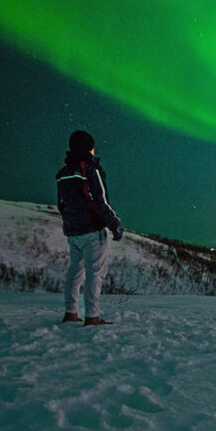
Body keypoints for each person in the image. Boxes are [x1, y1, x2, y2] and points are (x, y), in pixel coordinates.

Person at [56, 130, 123, 326]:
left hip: (73, 232)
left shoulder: (63, 174)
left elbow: (61, 204)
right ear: (89, 148)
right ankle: (92, 316)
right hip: (92, 231)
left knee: (74, 273)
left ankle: (70, 312)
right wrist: (115, 224)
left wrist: (71, 221)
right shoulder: (91, 170)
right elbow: (100, 201)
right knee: (95, 273)